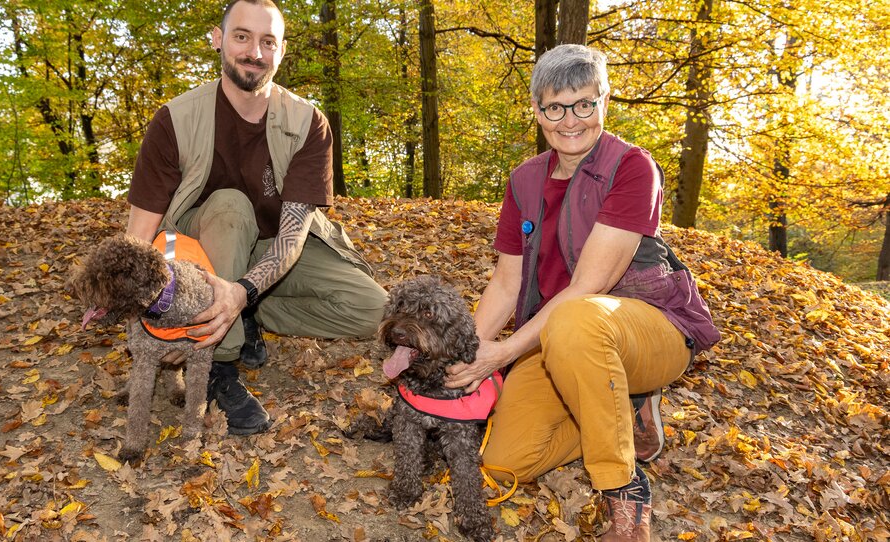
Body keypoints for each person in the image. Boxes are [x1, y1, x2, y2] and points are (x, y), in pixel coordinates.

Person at [444, 44, 720, 541]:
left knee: (577, 319)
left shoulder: (633, 168)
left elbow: (588, 288)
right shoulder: (524, 180)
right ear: (536, 110)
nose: (569, 120)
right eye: (554, 107)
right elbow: (507, 282)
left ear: (604, 103)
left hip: (648, 329)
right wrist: (463, 355)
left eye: (583, 104)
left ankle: (624, 490)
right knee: (506, 462)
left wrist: (503, 352)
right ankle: (620, 409)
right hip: (558, 341)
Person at [125, 0, 387, 437]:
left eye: (268, 42)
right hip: (198, 249)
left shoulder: (308, 122)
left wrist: (244, 291)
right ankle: (217, 362)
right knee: (231, 206)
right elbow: (138, 236)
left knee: (372, 308)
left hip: (272, 248)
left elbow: (291, 238)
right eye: (242, 37)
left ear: (281, 51)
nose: (255, 52)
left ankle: (245, 310)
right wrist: (150, 314)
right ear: (218, 39)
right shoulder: (175, 119)